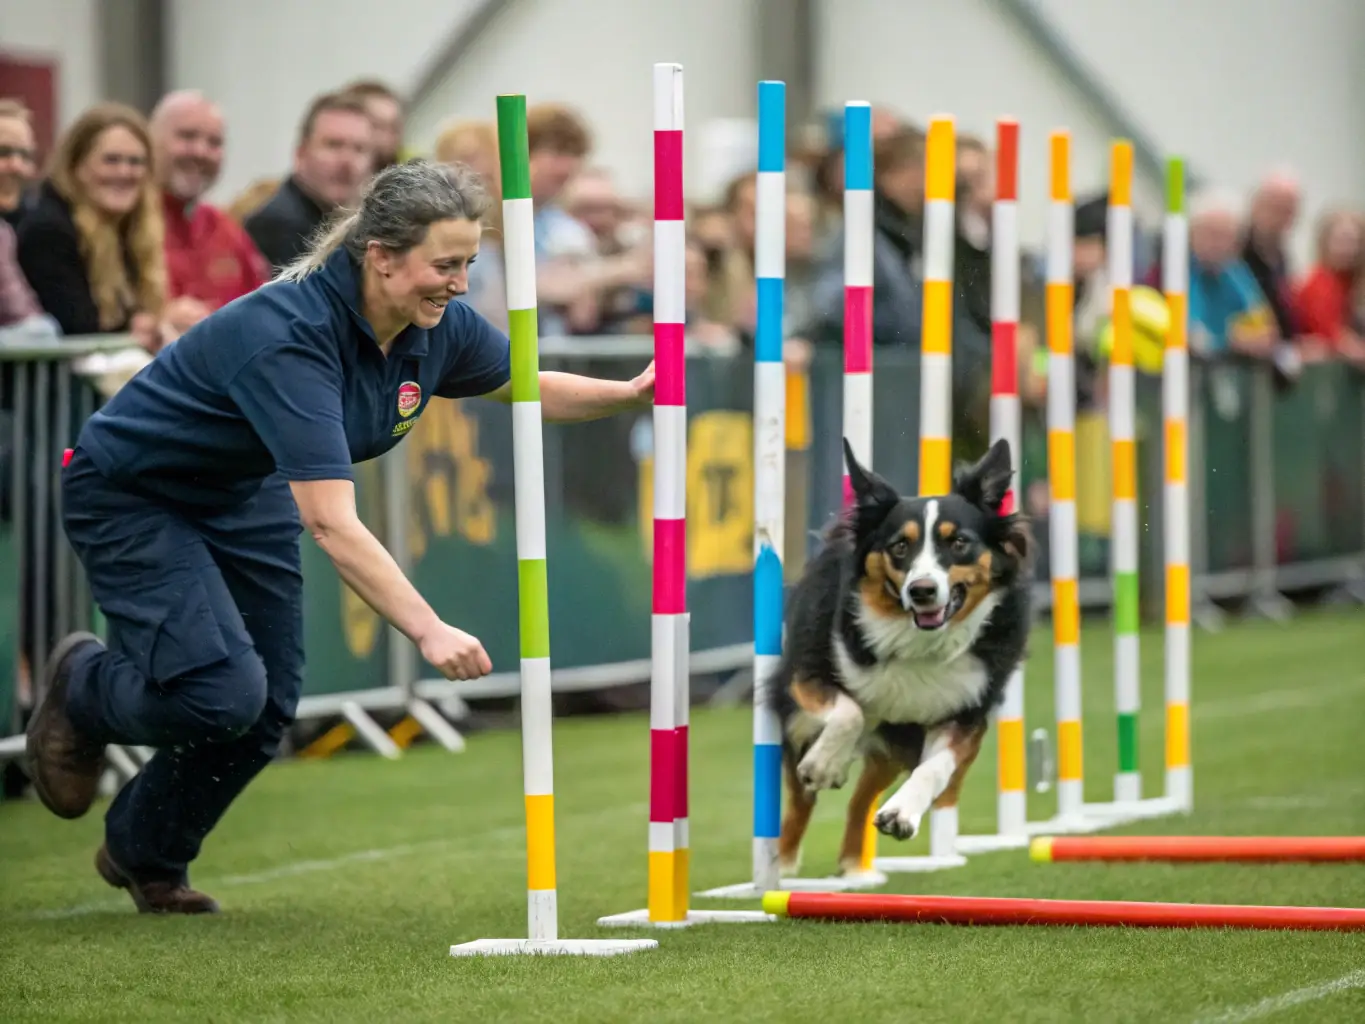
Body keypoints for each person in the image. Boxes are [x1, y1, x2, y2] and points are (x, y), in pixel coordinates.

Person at [23, 159, 656, 914]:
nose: (459, 285)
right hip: (133, 492)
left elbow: (526, 383)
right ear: (381, 256)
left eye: (468, 266)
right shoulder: (287, 333)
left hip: (240, 488)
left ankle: (145, 853)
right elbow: (329, 521)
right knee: (222, 695)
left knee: (269, 701)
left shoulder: (436, 324)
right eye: (445, 266)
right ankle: (86, 690)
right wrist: (427, 630)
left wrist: (627, 393)